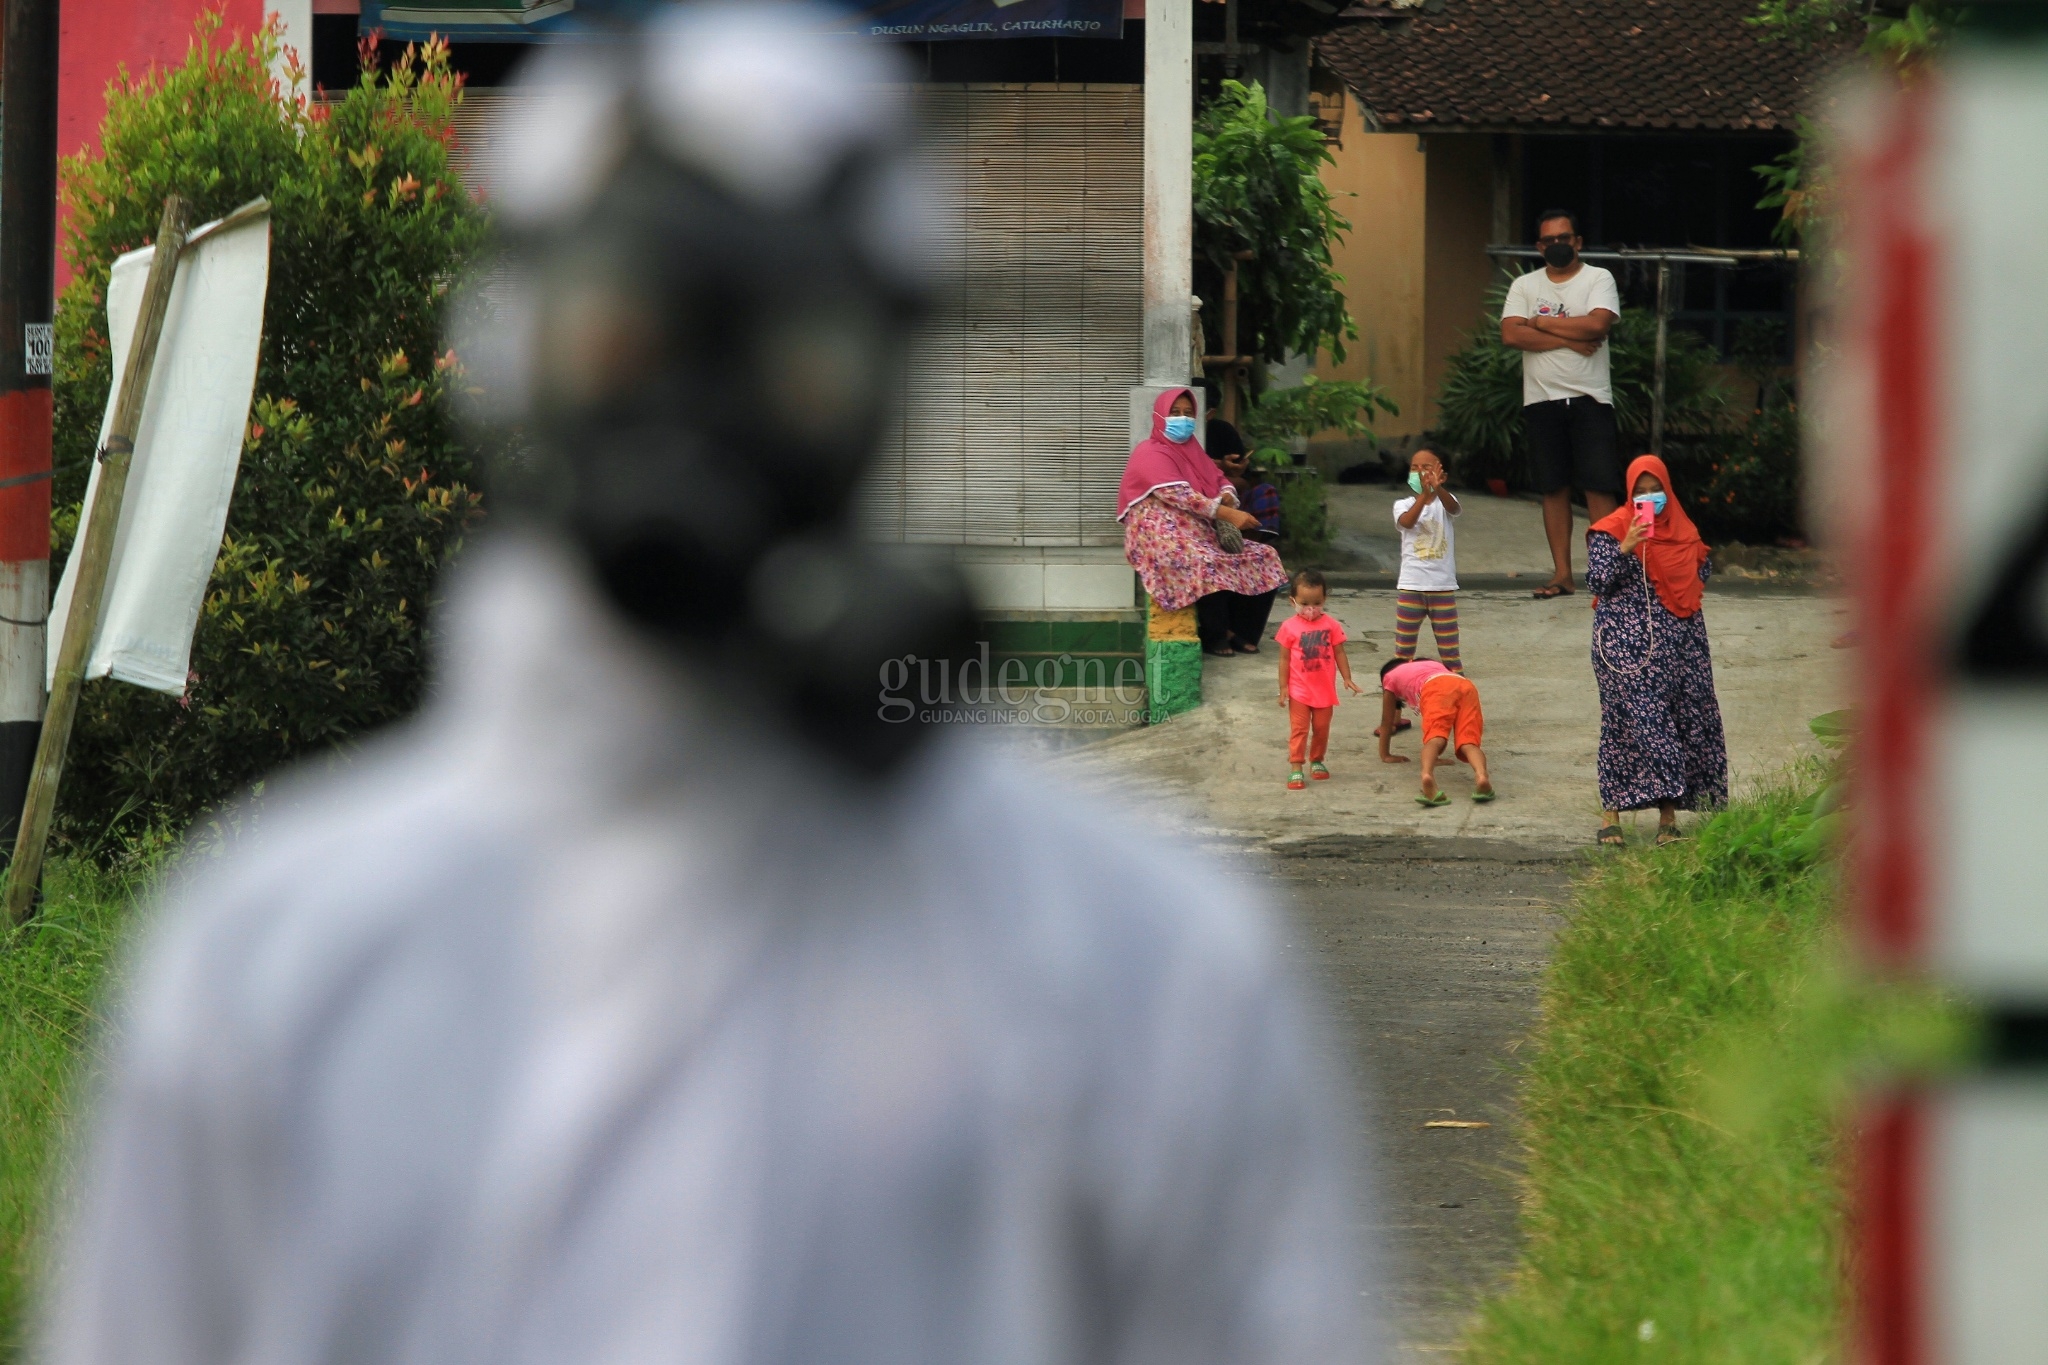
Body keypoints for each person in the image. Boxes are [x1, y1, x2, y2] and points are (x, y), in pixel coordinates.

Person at [40, 10, 1385, 1365]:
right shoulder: (282, 967)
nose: (706, 401)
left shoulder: (1144, 973)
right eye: (640, 327)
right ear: (519, 348)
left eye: (790, 341)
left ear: (888, 362)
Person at [1587, 454, 1729, 847]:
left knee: (1683, 720)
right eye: (1640, 491)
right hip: (1625, 648)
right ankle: (1610, 813)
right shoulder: (1611, 529)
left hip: (1682, 645)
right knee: (1629, 723)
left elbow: (1702, 573)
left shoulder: (1685, 531)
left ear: (1668, 491)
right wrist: (1626, 547)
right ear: (1629, 494)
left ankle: (1668, 821)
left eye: (1656, 491)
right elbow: (1596, 581)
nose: (1649, 498)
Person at [1500, 209, 1624, 600]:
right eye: (1549, 240)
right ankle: (1562, 575)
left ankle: (1604, 576)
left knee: (1599, 487)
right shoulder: (1524, 285)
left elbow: (1597, 325)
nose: (1557, 245)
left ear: (1578, 242)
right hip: (1541, 399)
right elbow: (1510, 335)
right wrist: (1569, 339)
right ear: (1539, 247)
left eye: (1564, 238)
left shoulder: (1598, 278)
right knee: (1552, 488)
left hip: (1590, 399)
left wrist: (1538, 323)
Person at [1119, 387, 1288, 656]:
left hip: (1199, 529)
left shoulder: (1194, 451)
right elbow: (1181, 496)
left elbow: (1220, 479)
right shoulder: (1149, 452)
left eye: (1188, 413)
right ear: (1160, 416)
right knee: (1204, 561)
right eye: (1174, 413)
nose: (1182, 419)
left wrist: (1228, 496)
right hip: (1160, 534)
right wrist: (1229, 514)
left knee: (1264, 555)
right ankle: (1215, 635)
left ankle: (1241, 632)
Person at [1274, 569, 1363, 789]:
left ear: (1324, 599)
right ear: (1292, 600)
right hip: (1299, 691)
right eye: (1304, 603)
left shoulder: (1331, 625)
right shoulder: (1289, 627)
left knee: (1322, 728)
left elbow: (1339, 652)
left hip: (1324, 691)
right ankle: (1296, 766)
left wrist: (1347, 677)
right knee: (1300, 729)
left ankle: (1317, 760)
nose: (1310, 608)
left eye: (1316, 602)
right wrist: (1283, 686)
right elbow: (1284, 659)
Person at [1378, 656, 1495, 807]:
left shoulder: (1389, 678)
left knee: (1435, 738)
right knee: (1469, 743)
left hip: (1434, 688)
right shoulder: (1430, 664)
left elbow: (1386, 722)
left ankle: (1427, 775)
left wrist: (1385, 754)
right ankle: (1481, 776)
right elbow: (1448, 684)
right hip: (1465, 685)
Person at [1391, 448, 1461, 673]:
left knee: (1450, 648)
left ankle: (1455, 682)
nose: (1420, 472)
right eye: (1414, 468)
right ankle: (1399, 684)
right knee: (1403, 648)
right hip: (1411, 587)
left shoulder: (1445, 504)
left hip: (1442, 587)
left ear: (1442, 475)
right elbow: (1407, 523)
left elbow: (1454, 508)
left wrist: (1437, 489)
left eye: (1426, 467)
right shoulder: (1401, 504)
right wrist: (1423, 496)